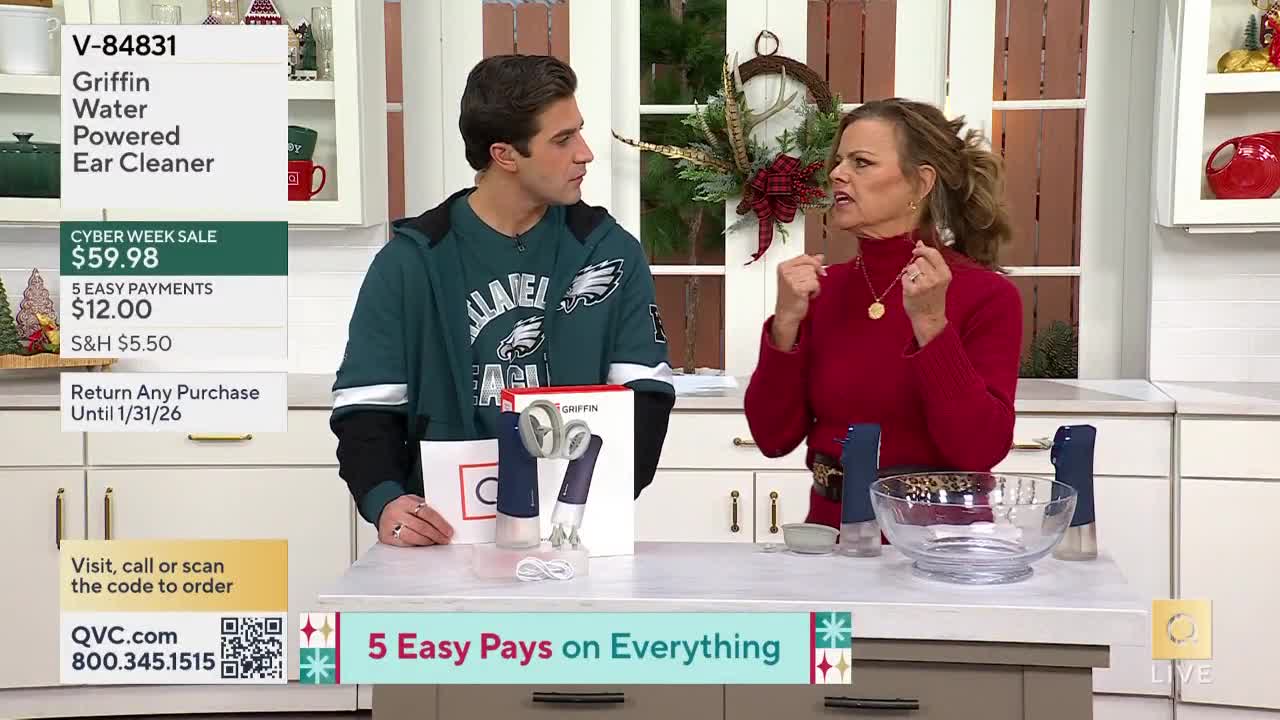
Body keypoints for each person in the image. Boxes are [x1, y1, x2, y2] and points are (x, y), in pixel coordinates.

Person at [330, 55, 676, 547]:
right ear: (505, 155)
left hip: (575, 527)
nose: (585, 153)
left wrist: (599, 499)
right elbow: (367, 406)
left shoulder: (610, 252)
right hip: (440, 534)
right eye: (562, 139)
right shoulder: (409, 262)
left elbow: (646, 394)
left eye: (578, 132)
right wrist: (385, 500)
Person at [742, 97, 1023, 530]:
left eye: (861, 162)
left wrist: (931, 327)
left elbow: (979, 448)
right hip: (830, 538)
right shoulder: (821, 290)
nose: (837, 173)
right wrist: (785, 325)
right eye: (839, 161)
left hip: (941, 543)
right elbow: (772, 438)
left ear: (921, 183)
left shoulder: (988, 296)